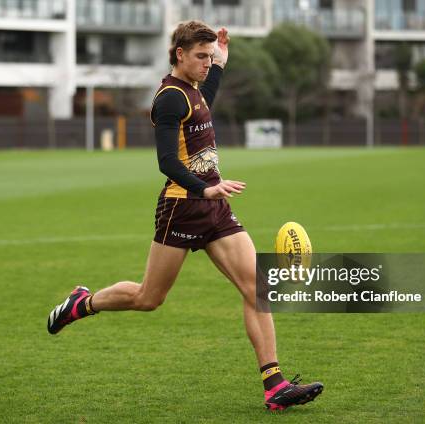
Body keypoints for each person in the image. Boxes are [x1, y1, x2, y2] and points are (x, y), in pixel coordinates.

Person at [47, 20, 323, 411]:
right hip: (182, 206)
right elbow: (166, 162)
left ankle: (274, 386)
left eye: (210, 57)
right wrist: (204, 187)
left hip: (214, 205)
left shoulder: (195, 89)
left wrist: (221, 62)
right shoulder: (170, 98)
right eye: (201, 57)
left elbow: (206, 96)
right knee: (149, 298)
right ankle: (82, 303)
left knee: (257, 289)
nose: (207, 63)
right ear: (179, 54)